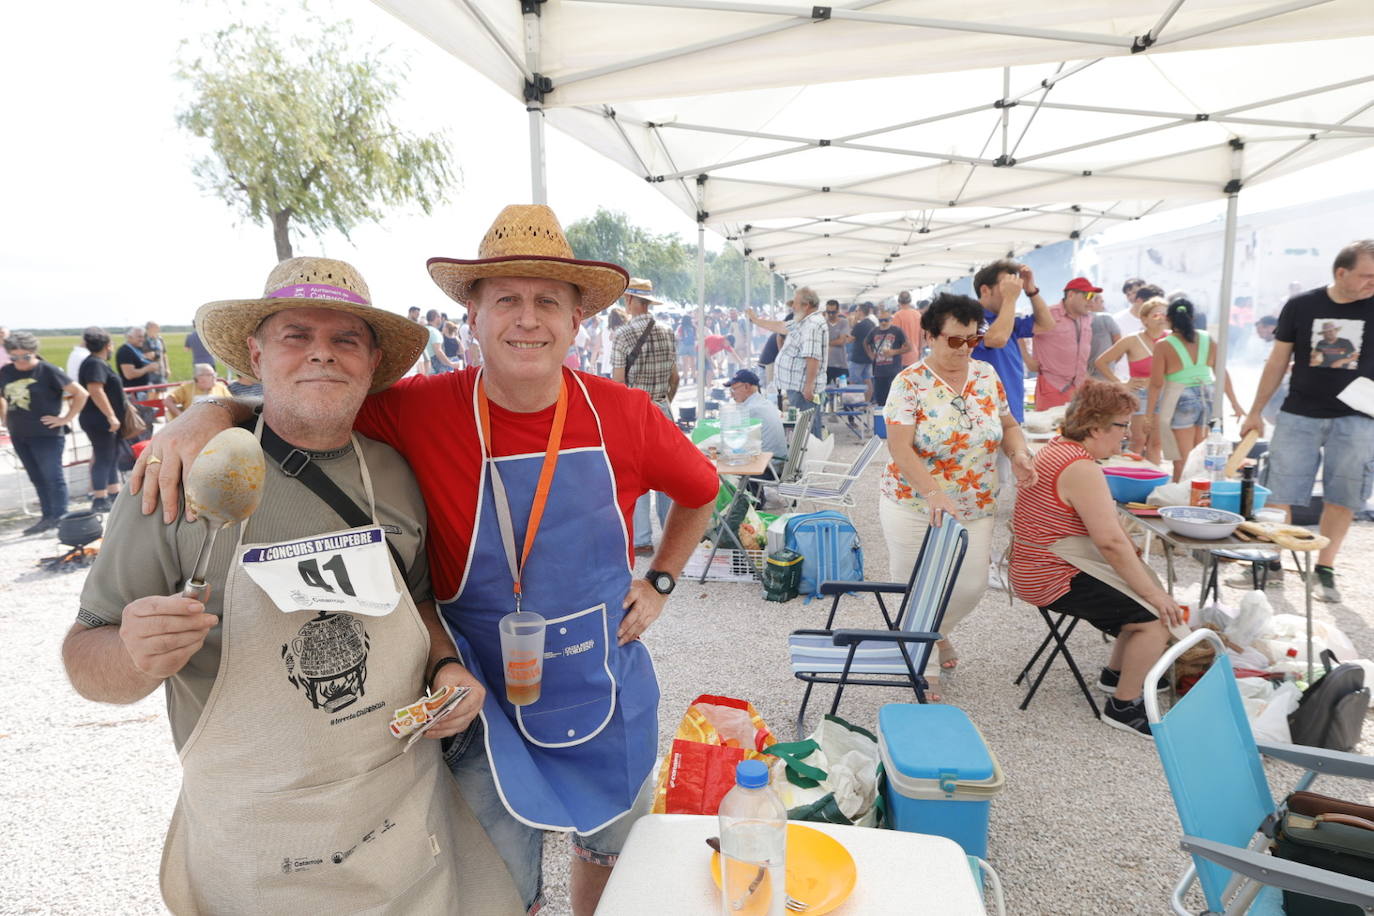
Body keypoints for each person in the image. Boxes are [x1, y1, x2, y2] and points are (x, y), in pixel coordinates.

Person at [128, 207, 719, 916]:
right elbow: (301, 406)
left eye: (547, 303)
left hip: (602, 680)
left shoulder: (624, 413)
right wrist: (209, 414)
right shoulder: (417, 407)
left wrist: (659, 582)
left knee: (612, 851)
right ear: (472, 314)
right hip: (477, 692)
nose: (527, 320)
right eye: (506, 300)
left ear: (576, 321)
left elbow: (701, 494)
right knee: (495, 879)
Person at [62, 257, 521, 914]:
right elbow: (87, 653)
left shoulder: (391, 472)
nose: (322, 355)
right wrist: (133, 656)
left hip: (399, 834)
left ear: (371, 361)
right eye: (296, 335)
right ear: (256, 351)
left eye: (345, 340)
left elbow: (416, 599)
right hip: (256, 857)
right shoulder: (179, 475)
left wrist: (446, 664)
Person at [1010, 380, 1186, 738]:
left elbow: (1109, 535)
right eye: (1122, 425)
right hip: (1049, 573)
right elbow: (1110, 543)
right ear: (1095, 427)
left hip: (1036, 564)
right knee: (1156, 617)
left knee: (1142, 589)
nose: (1126, 434)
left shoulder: (1059, 448)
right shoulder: (1080, 467)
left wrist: (1141, 577)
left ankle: (1118, 675)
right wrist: (1154, 596)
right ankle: (1124, 705)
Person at [881, 294, 1035, 697]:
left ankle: (935, 633)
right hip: (913, 502)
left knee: (971, 586)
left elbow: (1009, 424)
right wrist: (932, 491)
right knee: (916, 587)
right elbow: (900, 447)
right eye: (955, 340)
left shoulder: (985, 376)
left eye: (972, 340)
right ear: (930, 336)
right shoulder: (908, 383)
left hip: (975, 502)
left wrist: (1018, 453)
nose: (965, 349)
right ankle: (923, 665)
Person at [1242, 240, 1374, 604]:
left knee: (1344, 494)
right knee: (1279, 490)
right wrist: (1255, 410)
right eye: (1366, 276)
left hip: (1359, 418)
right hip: (1299, 412)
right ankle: (1270, 563)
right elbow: (1277, 361)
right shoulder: (1302, 306)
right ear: (1341, 272)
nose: (1371, 283)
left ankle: (1325, 570)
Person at [613, 278, 680, 554]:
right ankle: (668, 533)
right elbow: (675, 378)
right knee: (665, 473)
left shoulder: (623, 334)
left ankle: (641, 539)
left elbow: (618, 384)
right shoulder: (667, 331)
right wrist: (664, 401)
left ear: (629, 300)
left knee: (637, 473)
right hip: (662, 407)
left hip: (633, 411)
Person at [1145, 298, 1245, 481]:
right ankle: (1198, 498)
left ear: (1168, 318)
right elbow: (1221, 373)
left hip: (1179, 396)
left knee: (1182, 459)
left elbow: (1156, 383)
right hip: (1208, 395)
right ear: (1192, 317)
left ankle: (1179, 500)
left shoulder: (1164, 345)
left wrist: (1149, 414)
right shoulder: (1207, 339)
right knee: (1201, 457)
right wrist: (1235, 403)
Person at [0, 331, 87, 534]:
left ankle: (61, 518)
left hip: (47, 434)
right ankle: (47, 517)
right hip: (19, 433)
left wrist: (65, 418)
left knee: (52, 476)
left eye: (25, 357)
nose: (20, 362)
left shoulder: (47, 370)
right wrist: (4, 419)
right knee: (36, 477)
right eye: (14, 357)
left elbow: (81, 393)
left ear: (34, 352)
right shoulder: (6, 371)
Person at [970, 259, 1055, 424]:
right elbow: (997, 339)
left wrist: (1031, 290)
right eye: (1006, 286)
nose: (1013, 291)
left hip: (1012, 412)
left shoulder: (1007, 319)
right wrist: (1010, 299)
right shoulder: (970, 317)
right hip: (984, 416)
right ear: (985, 290)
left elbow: (1046, 324)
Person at [1094, 296, 1169, 463]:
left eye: (1165, 314)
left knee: (1156, 444)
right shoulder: (1132, 340)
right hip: (1140, 394)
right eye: (1156, 315)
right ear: (1144, 319)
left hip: (1164, 394)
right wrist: (1120, 383)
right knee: (1138, 441)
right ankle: (1127, 476)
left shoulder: (1171, 338)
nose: (1162, 319)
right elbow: (1101, 362)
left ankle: (1153, 481)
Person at [749, 288, 828, 438]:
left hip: (802, 388)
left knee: (808, 431)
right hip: (799, 387)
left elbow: (812, 357)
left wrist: (808, 387)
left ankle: (811, 460)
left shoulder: (812, 325)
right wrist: (756, 320)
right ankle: (809, 458)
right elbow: (781, 326)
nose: (793, 307)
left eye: (796, 303)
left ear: (806, 305)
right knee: (807, 428)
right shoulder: (804, 321)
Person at [1028, 277, 1100, 409]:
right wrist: (1028, 360)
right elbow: (1017, 331)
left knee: (1077, 429)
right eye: (1088, 296)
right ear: (1071, 295)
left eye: (1094, 297)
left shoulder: (1087, 318)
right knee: (1051, 429)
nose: (1091, 302)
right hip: (1052, 386)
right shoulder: (1048, 314)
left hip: (1079, 389)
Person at [76, 328, 126, 513]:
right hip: (99, 419)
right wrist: (111, 416)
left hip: (102, 419)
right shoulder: (94, 364)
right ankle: (99, 497)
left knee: (111, 456)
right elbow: (96, 390)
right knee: (103, 457)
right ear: (108, 345)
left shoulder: (96, 363)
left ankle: (113, 493)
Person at [726, 369, 788, 484]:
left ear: (746, 386)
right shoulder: (766, 403)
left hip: (766, 467)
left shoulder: (751, 409)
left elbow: (735, 443)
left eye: (734, 389)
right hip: (777, 463)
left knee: (717, 461)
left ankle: (744, 499)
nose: (731, 394)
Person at [866, 310, 909, 408]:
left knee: (894, 401)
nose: (883, 323)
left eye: (886, 320)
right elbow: (865, 343)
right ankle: (883, 421)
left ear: (891, 320)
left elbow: (908, 347)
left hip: (893, 372)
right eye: (881, 320)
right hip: (879, 372)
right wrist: (871, 355)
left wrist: (894, 352)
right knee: (881, 401)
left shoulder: (897, 331)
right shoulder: (874, 331)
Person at [164, 363, 232, 418]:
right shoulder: (187, 388)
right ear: (199, 377)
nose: (215, 377)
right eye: (211, 375)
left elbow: (232, 403)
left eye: (214, 374)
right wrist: (180, 415)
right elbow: (168, 401)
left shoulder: (221, 388)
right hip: (192, 423)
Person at [847, 301, 877, 401]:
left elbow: (850, 339)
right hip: (868, 357)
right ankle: (866, 403)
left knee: (853, 382)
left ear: (860, 312)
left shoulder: (860, 325)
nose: (855, 313)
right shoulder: (872, 324)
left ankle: (852, 404)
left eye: (856, 311)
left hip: (857, 357)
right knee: (867, 380)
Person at [117, 326, 159, 395]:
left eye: (143, 337)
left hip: (143, 391)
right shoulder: (125, 351)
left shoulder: (138, 348)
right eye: (139, 337)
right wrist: (148, 368)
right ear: (129, 337)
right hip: (133, 393)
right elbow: (129, 374)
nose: (142, 339)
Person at [889, 290, 923, 368]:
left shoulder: (897, 316)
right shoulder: (918, 315)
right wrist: (920, 351)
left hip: (902, 356)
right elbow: (921, 335)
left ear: (899, 301)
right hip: (915, 354)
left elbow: (894, 337)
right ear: (910, 301)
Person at [424, 308, 459, 374]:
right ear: (436, 317)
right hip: (436, 369)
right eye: (440, 316)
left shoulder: (425, 330)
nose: (441, 319)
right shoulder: (434, 332)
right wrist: (451, 364)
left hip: (427, 367)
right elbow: (438, 351)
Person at [824, 299, 852, 384]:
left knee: (842, 391)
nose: (831, 314)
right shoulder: (823, 323)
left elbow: (841, 341)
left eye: (833, 312)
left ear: (838, 311)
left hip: (841, 364)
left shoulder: (844, 322)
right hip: (825, 365)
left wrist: (825, 343)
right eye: (828, 312)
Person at [143, 321, 169, 385]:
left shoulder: (160, 339)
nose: (158, 329)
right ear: (149, 328)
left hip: (161, 370)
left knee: (159, 391)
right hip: (148, 372)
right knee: (151, 392)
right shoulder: (142, 339)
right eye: (156, 327)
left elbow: (164, 354)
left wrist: (167, 368)